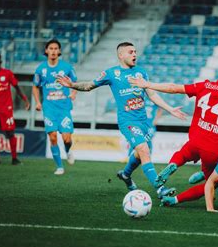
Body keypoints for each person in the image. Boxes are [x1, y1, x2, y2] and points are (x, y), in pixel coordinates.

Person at [128, 62, 218, 206]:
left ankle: (174, 164)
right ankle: (175, 199)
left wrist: (148, 84)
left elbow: (173, 88)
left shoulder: (205, 85)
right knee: (212, 182)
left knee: (183, 154)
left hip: (194, 141)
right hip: (213, 149)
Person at [57, 42, 186, 198]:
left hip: (143, 122)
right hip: (127, 121)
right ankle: (160, 189)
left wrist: (170, 109)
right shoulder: (111, 73)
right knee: (144, 150)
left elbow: (152, 95)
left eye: (135, 52)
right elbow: (89, 85)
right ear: (121, 55)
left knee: (139, 155)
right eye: (131, 52)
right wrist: (72, 85)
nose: (134, 55)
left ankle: (125, 174)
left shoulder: (141, 73)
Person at [32, 39, 77, 175]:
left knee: (66, 138)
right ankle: (59, 167)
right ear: (46, 51)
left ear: (59, 51)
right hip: (49, 108)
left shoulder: (67, 67)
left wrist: (73, 93)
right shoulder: (41, 69)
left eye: (56, 48)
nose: (53, 51)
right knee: (52, 136)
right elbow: (35, 86)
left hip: (64, 108)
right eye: (50, 48)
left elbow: (75, 82)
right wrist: (38, 102)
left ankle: (68, 150)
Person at [0, 52, 30, 165]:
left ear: (1, 61)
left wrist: (25, 100)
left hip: (6, 108)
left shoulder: (7, 73)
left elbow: (17, 88)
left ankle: (14, 159)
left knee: (10, 133)